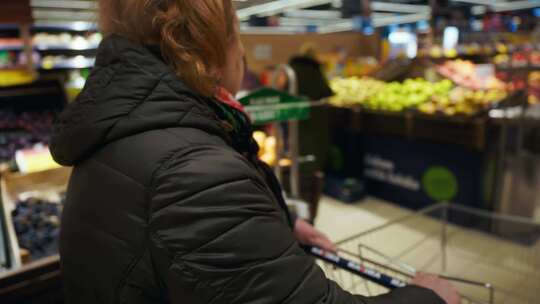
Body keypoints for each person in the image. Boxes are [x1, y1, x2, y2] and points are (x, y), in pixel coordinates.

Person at [50, 1, 460, 303]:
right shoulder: (196, 173)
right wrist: (428, 298)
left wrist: (276, 224)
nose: (243, 52)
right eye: (237, 32)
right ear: (210, 50)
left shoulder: (119, 131)